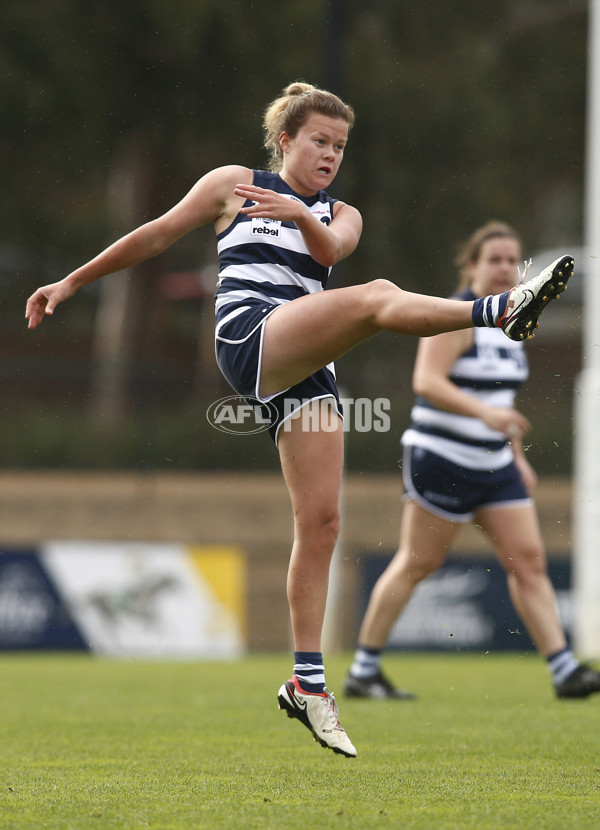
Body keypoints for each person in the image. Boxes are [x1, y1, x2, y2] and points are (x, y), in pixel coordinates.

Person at [26, 86, 574, 758]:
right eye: (320, 141)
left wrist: (300, 213)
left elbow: (329, 252)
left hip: (306, 362)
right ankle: (497, 312)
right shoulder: (234, 185)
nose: (331, 156)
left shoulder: (342, 211)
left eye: (339, 147)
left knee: (321, 522)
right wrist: (73, 282)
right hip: (252, 337)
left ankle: (307, 684)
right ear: (285, 140)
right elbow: (158, 233)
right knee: (377, 298)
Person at [344, 221, 599, 703]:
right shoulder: (458, 316)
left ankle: (565, 671)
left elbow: (500, 400)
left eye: (512, 260)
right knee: (419, 562)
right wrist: (485, 414)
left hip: (494, 466)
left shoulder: (516, 325)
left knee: (529, 563)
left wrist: (515, 455)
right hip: (442, 458)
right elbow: (427, 381)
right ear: (473, 267)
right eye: (495, 260)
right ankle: (363, 670)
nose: (505, 269)